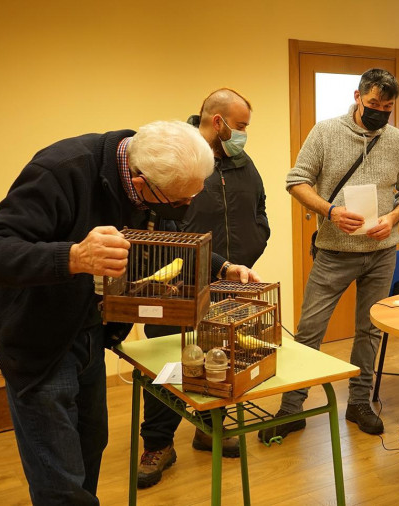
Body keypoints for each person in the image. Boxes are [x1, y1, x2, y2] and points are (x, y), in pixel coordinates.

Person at [0, 120, 256, 505]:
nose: (185, 208)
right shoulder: (61, 170)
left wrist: (221, 267)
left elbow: (168, 239)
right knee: (60, 475)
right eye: (179, 201)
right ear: (140, 185)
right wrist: (74, 256)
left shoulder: (151, 177)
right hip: (35, 336)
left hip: (88, 330)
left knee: (90, 443)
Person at [259, 68, 399, 441]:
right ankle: (291, 408)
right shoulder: (326, 132)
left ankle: (359, 402)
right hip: (334, 251)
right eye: (373, 104)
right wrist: (329, 212)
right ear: (357, 96)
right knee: (309, 331)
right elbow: (295, 181)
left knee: (370, 331)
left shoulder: (398, 142)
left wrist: (395, 216)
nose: (380, 111)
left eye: (388, 107)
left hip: (382, 251)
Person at [137, 88, 269, 488]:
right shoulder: (177, 157)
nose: (244, 133)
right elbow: (158, 224)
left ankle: (210, 427)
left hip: (230, 282)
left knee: (220, 357)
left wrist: (255, 242)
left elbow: (259, 208)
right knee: (169, 363)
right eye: (240, 126)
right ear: (218, 121)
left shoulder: (243, 163)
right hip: (177, 285)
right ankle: (158, 444)